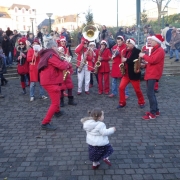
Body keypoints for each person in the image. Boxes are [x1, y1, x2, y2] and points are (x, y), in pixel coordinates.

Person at [38, 40, 69, 131]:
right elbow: (62, 66)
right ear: (52, 47)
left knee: (57, 97)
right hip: (51, 82)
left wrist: (61, 59)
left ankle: (57, 112)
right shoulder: (51, 55)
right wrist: (66, 62)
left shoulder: (47, 54)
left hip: (49, 80)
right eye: (56, 46)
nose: (57, 48)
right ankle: (45, 122)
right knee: (55, 103)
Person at [139, 34, 165, 120]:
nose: (151, 42)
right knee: (151, 94)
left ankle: (152, 113)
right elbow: (152, 62)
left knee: (150, 94)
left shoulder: (160, 50)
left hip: (153, 74)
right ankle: (156, 111)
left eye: (152, 40)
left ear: (156, 42)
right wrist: (145, 65)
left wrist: (143, 56)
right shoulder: (156, 49)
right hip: (151, 73)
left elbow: (153, 60)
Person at [117, 38, 145, 108]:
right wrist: (123, 63)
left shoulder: (137, 51)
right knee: (121, 87)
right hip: (126, 74)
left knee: (137, 90)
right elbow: (124, 60)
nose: (127, 45)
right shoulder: (125, 51)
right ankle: (122, 102)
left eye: (129, 44)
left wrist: (126, 60)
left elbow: (136, 62)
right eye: (127, 44)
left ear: (133, 44)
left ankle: (141, 102)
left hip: (134, 74)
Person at [57, 37, 77, 107]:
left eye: (63, 51)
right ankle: (61, 101)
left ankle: (70, 100)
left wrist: (68, 63)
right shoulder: (58, 58)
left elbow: (70, 65)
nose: (62, 52)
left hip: (67, 73)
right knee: (62, 88)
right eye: (61, 51)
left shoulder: (66, 53)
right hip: (61, 74)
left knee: (70, 86)